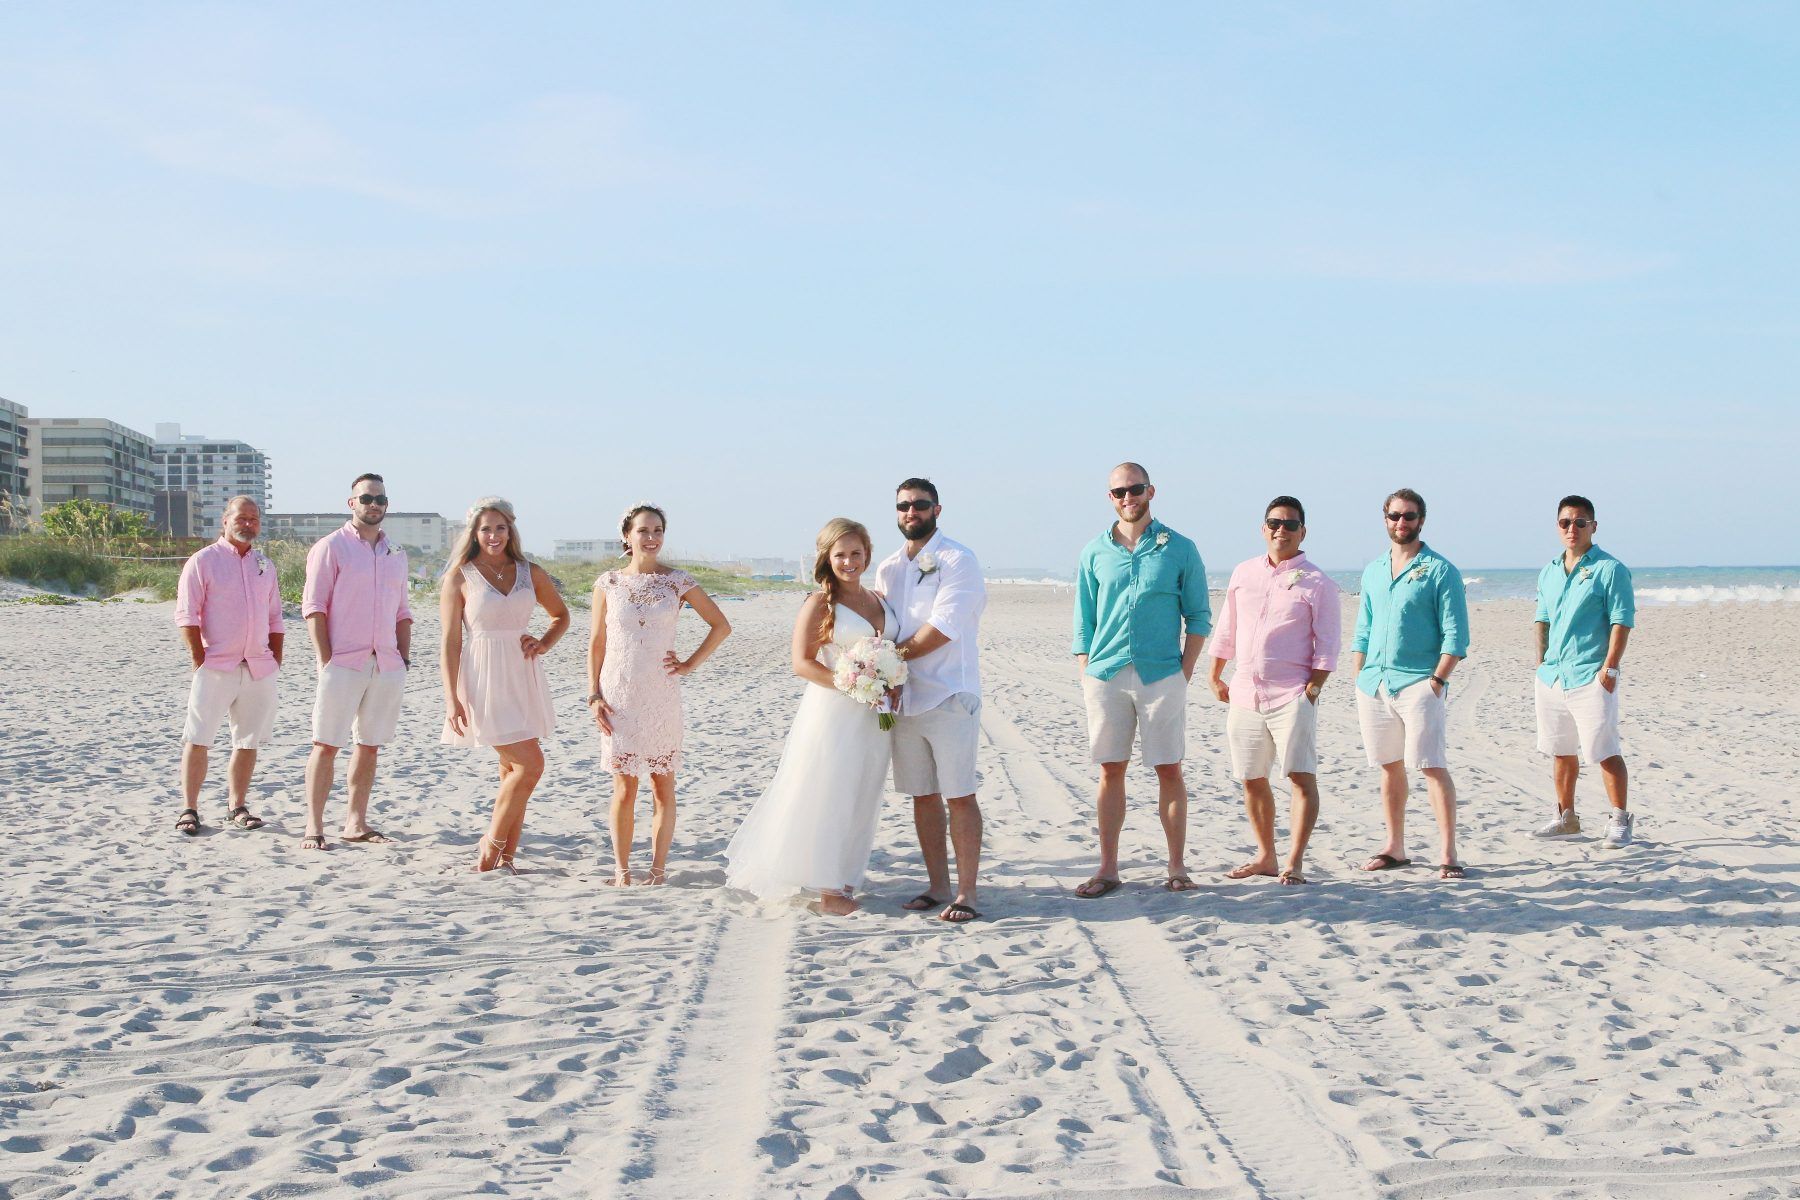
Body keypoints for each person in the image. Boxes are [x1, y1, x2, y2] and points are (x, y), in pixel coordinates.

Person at [725, 518, 896, 915]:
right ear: (827, 558)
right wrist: (853, 685)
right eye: (840, 555)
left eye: (856, 553)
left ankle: (847, 876)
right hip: (835, 711)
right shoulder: (820, 602)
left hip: (875, 717)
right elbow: (801, 663)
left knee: (862, 794)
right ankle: (829, 890)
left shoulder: (879, 599)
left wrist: (886, 684)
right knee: (830, 793)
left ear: (867, 554)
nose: (849, 561)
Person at [1070, 462, 1211, 896]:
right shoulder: (1094, 551)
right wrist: (1085, 673)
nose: (1127, 498)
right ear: (1109, 497)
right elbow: (1084, 622)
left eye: (1134, 489)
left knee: (1169, 768)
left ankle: (1176, 866)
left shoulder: (1180, 548)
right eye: (1118, 492)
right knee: (1111, 770)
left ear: (1151, 491)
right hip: (1106, 674)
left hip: (1162, 675)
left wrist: (1183, 674)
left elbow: (1199, 617)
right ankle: (1108, 868)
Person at [586, 504, 731, 886]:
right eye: (643, 530)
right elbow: (596, 642)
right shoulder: (609, 583)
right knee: (623, 784)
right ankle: (622, 871)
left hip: (661, 692)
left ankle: (658, 869)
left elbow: (720, 625)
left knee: (662, 782)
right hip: (618, 691)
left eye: (657, 530)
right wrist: (594, 694)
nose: (651, 537)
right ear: (627, 536)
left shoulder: (677, 582)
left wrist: (688, 664)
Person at [1208, 496, 1341, 885]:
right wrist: (1215, 675)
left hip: (1291, 695)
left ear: (1303, 531)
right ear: (1263, 528)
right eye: (1274, 522)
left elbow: (1327, 643)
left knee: (1299, 777)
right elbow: (1227, 628)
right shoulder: (1243, 572)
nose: (1281, 529)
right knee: (1251, 777)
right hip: (1245, 693)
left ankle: (1294, 862)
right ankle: (1266, 855)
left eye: (1290, 524)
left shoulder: (1318, 582)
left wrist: (1312, 690)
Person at [873, 478, 988, 923]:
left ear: (937, 509)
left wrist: (889, 660)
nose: (910, 513)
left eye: (920, 505)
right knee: (922, 796)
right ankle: (937, 885)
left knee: (959, 795)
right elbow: (880, 623)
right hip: (904, 700)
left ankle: (967, 893)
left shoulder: (959, 560)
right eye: (903, 506)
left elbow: (943, 628)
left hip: (949, 694)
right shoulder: (887, 567)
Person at [440, 497, 570, 872]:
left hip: (522, 675)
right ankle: (490, 844)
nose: (493, 535)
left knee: (512, 771)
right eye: (485, 529)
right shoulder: (460, 576)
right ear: (474, 533)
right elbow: (450, 641)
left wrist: (544, 642)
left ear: (510, 529)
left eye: (500, 527)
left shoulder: (531, 572)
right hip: (482, 677)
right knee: (530, 765)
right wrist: (452, 699)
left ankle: (506, 858)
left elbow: (560, 615)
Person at [1351, 487, 1469, 880]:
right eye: (1395, 516)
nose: (1402, 523)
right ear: (1385, 519)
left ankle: (1448, 852)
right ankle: (1395, 846)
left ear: (1422, 520)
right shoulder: (1372, 570)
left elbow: (1456, 635)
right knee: (1389, 767)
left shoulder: (1440, 570)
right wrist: (1359, 676)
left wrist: (1437, 680)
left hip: (1419, 683)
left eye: (1410, 516)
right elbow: (1363, 628)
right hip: (1374, 684)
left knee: (1431, 766)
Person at [300, 472, 413, 851]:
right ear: (352, 503)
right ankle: (314, 826)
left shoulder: (396, 553)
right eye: (366, 499)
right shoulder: (330, 547)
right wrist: (325, 660)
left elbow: (402, 612)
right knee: (326, 744)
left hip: (387, 664)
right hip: (342, 663)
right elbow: (314, 608)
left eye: (380, 499)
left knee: (369, 745)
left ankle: (355, 822)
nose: (373, 505)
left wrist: (403, 657)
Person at [171, 496, 283, 836]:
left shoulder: (264, 564)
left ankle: (237, 805)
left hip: (258, 667)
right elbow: (187, 615)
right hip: (216, 665)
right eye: (241, 517)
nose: (248, 523)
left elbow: (276, 617)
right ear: (225, 520)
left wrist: (274, 659)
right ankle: (190, 808)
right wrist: (199, 659)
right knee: (199, 736)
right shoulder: (203, 561)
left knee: (247, 740)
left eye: (253, 518)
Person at [1531, 495, 1637, 847]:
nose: (1572, 529)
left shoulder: (1610, 569)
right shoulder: (1549, 570)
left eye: (1580, 522)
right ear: (1557, 527)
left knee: (1603, 749)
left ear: (1593, 525)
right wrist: (1541, 661)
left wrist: (1610, 668)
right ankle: (1566, 817)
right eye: (1565, 522)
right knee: (1561, 750)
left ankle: (1620, 819)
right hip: (1552, 676)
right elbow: (1541, 618)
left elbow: (1622, 621)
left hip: (1591, 673)